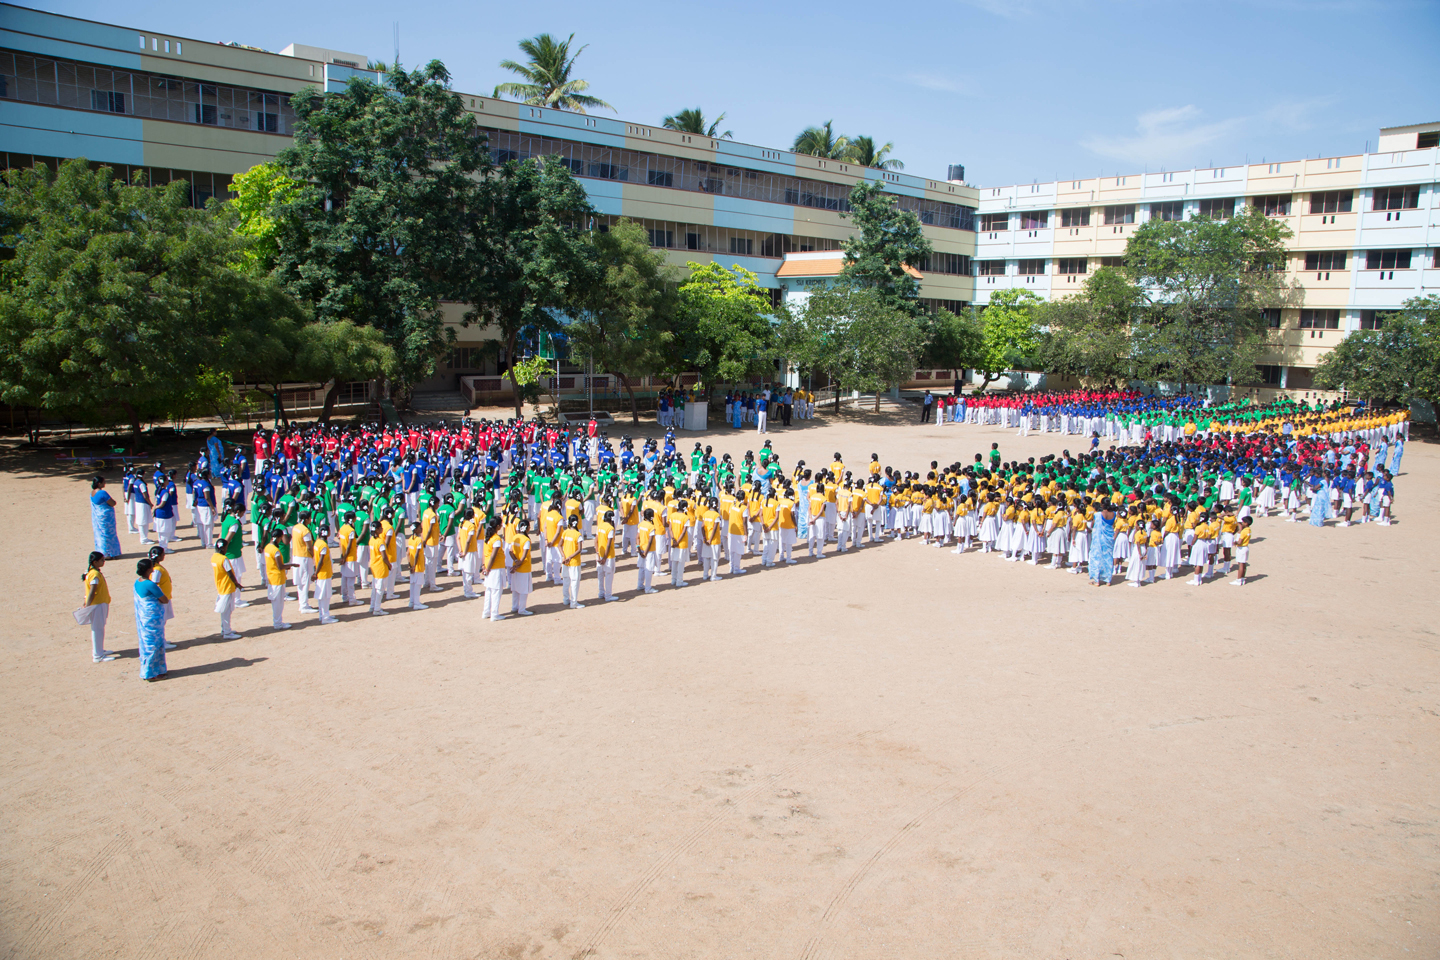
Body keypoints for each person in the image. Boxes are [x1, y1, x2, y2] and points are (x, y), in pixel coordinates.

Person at [133, 557, 168, 681]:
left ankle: (156, 670)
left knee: (148, 644)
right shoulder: (149, 584)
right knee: (154, 645)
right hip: (153, 618)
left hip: (144, 618)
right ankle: (151, 673)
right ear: (149, 569)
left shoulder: (137, 582)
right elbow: (164, 599)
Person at [81, 552, 116, 662]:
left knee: (99, 628)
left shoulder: (91, 572)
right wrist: (87, 605)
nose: (104, 562)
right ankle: (98, 655)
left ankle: (100, 650)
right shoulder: (94, 574)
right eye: (102, 560)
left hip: (99, 603)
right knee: (98, 629)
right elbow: (92, 591)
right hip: (97, 604)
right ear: (95, 562)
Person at [263, 529, 296, 630]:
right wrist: (291, 565)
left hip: (271, 578)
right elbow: (280, 566)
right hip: (277, 578)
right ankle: (278, 623)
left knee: (275, 602)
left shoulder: (268, 547)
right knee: (279, 603)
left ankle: (277, 621)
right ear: (279, 538)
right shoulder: (276, 551)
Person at [211, 540, 243, 639]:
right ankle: (227, 632)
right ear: (223, 548)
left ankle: (224, 629)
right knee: (227, 611)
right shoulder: (224, 559)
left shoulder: (214, 557)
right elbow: (230, 573)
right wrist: (237, 584)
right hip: (227, 587)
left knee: (225, 610)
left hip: (220, 586)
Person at [506, 518, 534, 616]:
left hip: (516, 566)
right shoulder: (526, 540)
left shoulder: (515, 537)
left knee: (515, 589)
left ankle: (514, 607)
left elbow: (510, 551)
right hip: (524, 568)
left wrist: (515, 563)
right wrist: (518, 564)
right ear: (526, 529)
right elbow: (524, 556)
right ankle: (522, 609)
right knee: (523, 590)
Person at [90, 476, 122, 559]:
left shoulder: (92, 493)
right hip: (106, 518)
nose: (105, 483)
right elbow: (112, 503)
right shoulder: (102, 493)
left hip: (98, 517)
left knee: (100, 534)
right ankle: (108, 553)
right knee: (108, 535)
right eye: (103, 482)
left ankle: (102, 552)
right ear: (99, 483)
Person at [481, 518, 507, 621]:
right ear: (497, 527)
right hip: (495, 568)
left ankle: (486, 612)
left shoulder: (487, 538)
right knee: (496, 591)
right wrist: (488, 568)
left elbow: (485, 553)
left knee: (488, 590)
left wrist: (484, 566)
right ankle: (494, 614)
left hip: (489, 566)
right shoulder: (496, 539)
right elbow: (493, 556)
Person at [313, 523, 337, 624]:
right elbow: (321, 561)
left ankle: (322, 615)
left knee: (321, 596)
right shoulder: (323, 545)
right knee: (325, 597)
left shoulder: (317, 542)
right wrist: (316, 573)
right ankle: (325, 617)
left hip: (322, 574)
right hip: (324, 574)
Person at [560, 514, 584, 608]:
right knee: (574, 581)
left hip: (565, 561)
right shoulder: (578, 534)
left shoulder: (565, 532)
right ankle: (573, 602)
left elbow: (559, 545)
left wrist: (564, 556)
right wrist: (570, 557)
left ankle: (566, 599)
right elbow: (579, 550)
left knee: (566, 580)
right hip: (574, 561)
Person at [367, 519, 390, 616]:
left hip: (374, 566)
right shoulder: (380, 542)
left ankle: (372, 606)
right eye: (380, 528)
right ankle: (377, 608)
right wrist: (389, 564)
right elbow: (384, 556)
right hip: (381, 567)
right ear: (377, 530)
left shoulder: (371, 540)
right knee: (380, 589)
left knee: (375, 588)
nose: (382, 529)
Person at [595, 509, 619, 601]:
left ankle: (601, 593)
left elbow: (596, 541)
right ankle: (608, 595)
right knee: (609, 575)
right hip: (608, 556)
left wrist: (598, 554)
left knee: (600, 574)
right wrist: (605, 557)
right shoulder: (610, 528)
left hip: (600, 554)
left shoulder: (600, 526)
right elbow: (609, 544)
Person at [406, 521, 429, 611]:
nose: (421, 529)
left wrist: (410, 565)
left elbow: (408, 553)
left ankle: (411, 601)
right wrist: (414, 566)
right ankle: (417, 603)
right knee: (418, 585)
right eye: (420, 528)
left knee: (412, 583)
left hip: (412, 565)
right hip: (418, 566)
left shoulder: (411, 539)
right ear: (415, 529)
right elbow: (416, 554)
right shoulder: (419, 540)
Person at [1231, 516, 1253, 587]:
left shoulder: (1244, 531)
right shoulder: (1249, 530)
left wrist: (1235, 543)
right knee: (1243, 564)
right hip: (1246, 547)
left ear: (1246, 523)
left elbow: (1240, 542)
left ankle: (1239, 580)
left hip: (1241, 548)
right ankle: (1242, 578)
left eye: (1243, 522)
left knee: (1240, 564)